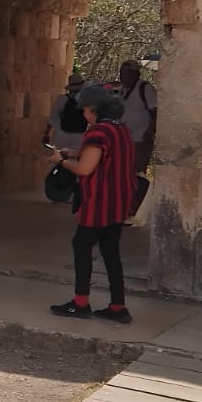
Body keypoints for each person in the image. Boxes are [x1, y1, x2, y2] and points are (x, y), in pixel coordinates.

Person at [48, 83, 138, 323]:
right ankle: (118, 306)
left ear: (94, 109)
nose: (83, 113)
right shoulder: (121, 129)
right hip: (119, 201)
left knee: (81, 245)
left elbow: (86, 169)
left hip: (99, 201)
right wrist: (77, 152)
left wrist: (60, 161)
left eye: (85, 109)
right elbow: (107, 155)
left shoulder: (97, 132)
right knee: (110, 251)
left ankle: (80, 302)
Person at [118, 60, 158, 175]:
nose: (123, 76)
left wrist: (150, 131)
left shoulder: (145, 88)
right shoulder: (122, 91)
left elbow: (156, 111)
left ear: (136, 74)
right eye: (122, 73)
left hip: (140, 140)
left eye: (127, 73)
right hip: (124, 140)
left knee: (135, 172)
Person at [46, 72, 89, 154]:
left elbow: (53, 118)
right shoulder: (87, 101)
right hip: (79, 136)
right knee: (74, 160)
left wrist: (47, 133)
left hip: (61, 134)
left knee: (58, 160)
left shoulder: (61, 99)